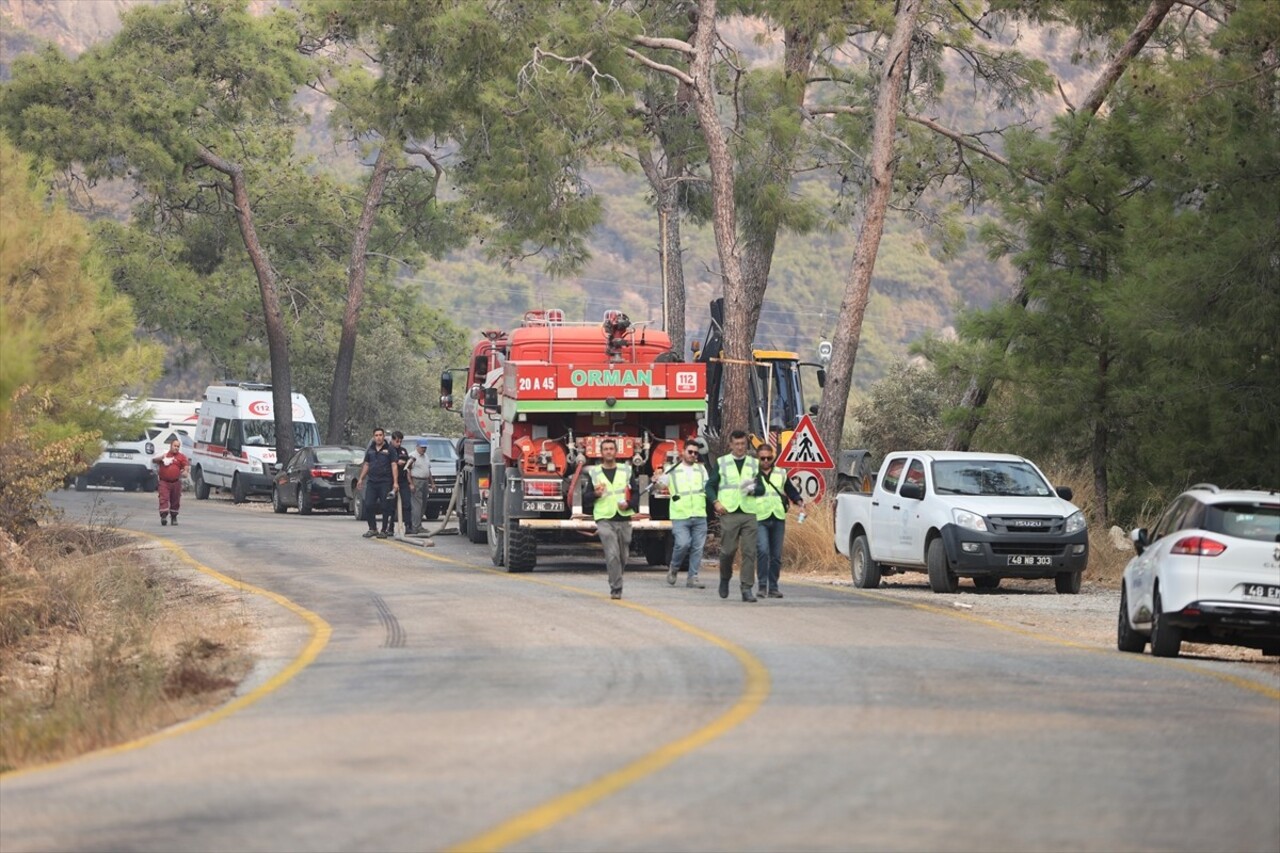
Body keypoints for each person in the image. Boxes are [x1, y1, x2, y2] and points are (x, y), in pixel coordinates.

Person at [706, 429, 765, 602]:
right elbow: (710, 486)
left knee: (749, 552)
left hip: (749, 513)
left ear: (746, 445)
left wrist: (753, 489)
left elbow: (762, 488)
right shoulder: (722, 462)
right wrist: (716, 502)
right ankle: (725, 578)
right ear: (730, 445)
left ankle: (746, 588)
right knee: (727, 551)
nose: (740, 447)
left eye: (743, 444)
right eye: (737, 444)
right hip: (729, 512)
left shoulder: (754, 464)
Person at [589, 437, 639, 600]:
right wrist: (594, 494)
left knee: (623, 556)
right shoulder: (594, 472)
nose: (609, 451)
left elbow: (636, 493)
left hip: (624, 517)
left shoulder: (626, 471)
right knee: (612, 554)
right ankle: (616, 588)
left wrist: (629, 504)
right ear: (601, 453)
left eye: (611, 449)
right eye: (606, 449)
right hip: (604, 518)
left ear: (616, 452)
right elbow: (585, 498)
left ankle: (616, 576)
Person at [754, 446, 805, 599]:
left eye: (768, 458)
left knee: (776, 555)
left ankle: (773, 587)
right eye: (762, 458)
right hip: (760, 517)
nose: (765, 461)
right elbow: (744, 493)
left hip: (777, 517)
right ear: (758, 458)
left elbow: (790, 490)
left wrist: (800, 502)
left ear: (773, 458)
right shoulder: (751, 474)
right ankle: (762, 586)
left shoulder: (781, 473)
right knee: (763, 551)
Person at [661, 438, 709, 589]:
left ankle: (693, 577)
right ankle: (674, 568)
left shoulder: (701, 469)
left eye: (695, 453)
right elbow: (661, 484)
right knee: (682, 544)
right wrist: (657, 480)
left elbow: (708, 487)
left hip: (699, 513)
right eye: (690, 452)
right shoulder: (672, 469)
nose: (693, 455)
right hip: (680, 514)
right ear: (683, 452)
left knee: (697, 547)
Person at [354, 427, 397, 539]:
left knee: (385, 506)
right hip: (372, 482)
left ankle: (384, 530)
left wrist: (395, 482)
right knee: (368, 505)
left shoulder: (390, 449)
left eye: (380, 435)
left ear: (383, 436)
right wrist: (361, 479)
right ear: (374, 437)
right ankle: (372, 528)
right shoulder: (370, 450)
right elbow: (366, 465)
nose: (378, 437)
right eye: (376, 435)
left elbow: (394, 465)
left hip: (385, 482)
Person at [151, 438, 190, 526]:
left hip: (176, 482)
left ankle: (174, 517)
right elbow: (153, 460)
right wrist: (161, 458)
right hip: (164, 482)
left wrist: (185, 471)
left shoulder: (181, 457)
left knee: (175, 500)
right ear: (171, 446)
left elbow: (186, 466)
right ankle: (164, 517)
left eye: (178, 446)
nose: (176, 448)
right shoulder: (164, 454)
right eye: (175, 446)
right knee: (163, 498)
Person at [407, 439, 435, 535]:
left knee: (423, 504)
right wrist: (410, 483)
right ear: (417, 446)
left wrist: (432, 483)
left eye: (425, 447)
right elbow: (407, 470)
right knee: (417, 505)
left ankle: (419, 525)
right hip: (416, 480)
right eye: (422, 447)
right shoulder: (413, 456)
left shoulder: (426, 456)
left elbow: (428, 470)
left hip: (425, 481)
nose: (424, 449)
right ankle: (415, 527)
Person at [390, 431, 413, 535]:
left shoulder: (403, 451)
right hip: (390, 480)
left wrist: (409, 463)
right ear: (392, 439)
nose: (399, 443)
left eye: (400, 441)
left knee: (407, 504)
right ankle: (390, 527)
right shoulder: (388, 450)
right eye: (397, 441)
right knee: (391, 505)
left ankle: (408, 526)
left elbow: (408, 467)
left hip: (403, 480)